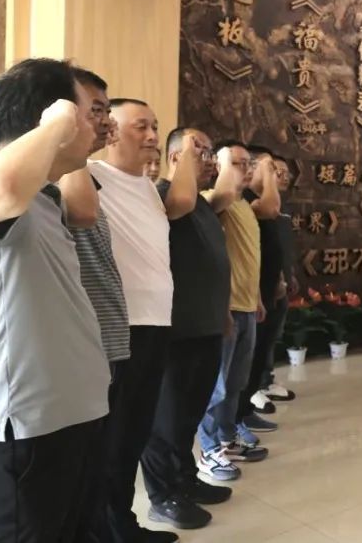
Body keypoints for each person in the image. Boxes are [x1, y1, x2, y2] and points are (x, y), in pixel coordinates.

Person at [0, 58, 111, 541]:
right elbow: (0, 187)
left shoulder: (43, 197)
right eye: (88, 112)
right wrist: (55, 125)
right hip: (19, 430)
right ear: (56, 115)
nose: (98, 125)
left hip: (67, 418)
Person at [90, 98, 176, 543]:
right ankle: (107, 530)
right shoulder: (91, 176)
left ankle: (123, 524)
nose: (152, 136)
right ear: (110, 129)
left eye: (154, 126)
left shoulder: (148, 187)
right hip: (119, 329)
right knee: (113, 437)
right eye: (140, 126)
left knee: (135, 432)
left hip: (156, 325)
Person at [141, 128, 235, 530]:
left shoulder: (201, 204)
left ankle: (185, 479)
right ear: (175, 157)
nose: (209, 160)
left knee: (188, 416)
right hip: (176, 333)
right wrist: (186, 159)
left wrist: (222, 313)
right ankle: (163, 496)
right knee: (166, 421)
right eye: (201, 152)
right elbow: (177, 202)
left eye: (211, 153)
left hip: (206, 327)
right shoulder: (165, 196)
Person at [58, 68, 133, 543]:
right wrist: (74, 144)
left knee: (104, 459)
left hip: (109, 340)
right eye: (96, 110)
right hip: (85, 349)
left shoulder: (79, 174)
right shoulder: (65, 178)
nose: (106, 123)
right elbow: (82, 212)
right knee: (80, 473)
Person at [197, 141, 269, 481]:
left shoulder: (245, 207)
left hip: (246, 306)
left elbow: (249, 258)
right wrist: (227, 169)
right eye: (237, 163)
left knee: (237, 382)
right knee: (218, 386)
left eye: (248, 163)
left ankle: (227, 438)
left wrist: (258, 298)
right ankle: (209, 448)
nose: (246, 169)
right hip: (225, 308)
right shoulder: (214, 200)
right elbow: (219, 197)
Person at [238, 145, 285, 430]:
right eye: (270, 168)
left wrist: (279, 278)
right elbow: (271, 208)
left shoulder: (259, 198)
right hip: (249, 295)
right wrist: (267, 174)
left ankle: (244, 411)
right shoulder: (243, 198)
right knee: (247, 361)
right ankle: (237, 417)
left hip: (265, 290)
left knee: (259, 355)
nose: (275, 175)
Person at [257, 154, 298, 403]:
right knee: (259, 337)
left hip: (280, 282)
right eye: (276, 171)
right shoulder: (259, 206)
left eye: (285, 173)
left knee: (271, 336)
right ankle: (254, 388)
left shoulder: (284, 207)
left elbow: (282, 247)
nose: (282, 177)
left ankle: (266, 379)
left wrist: (288, 273)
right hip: (262, 286)